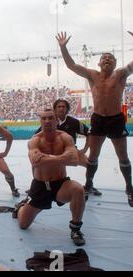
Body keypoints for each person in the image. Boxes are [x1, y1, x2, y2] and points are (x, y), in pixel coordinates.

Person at [57, 31, 133, 206]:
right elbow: (71, 65)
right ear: (99, 63)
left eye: (110, 58)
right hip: (98, 119)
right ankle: (89, 184)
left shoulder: (121, 73)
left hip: (115, 119)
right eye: (104, 58)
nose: (107, 59)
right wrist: (63, 47)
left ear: (115, 63)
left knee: (123, 156)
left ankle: (129, 187)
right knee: (93, 156)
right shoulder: (92, 75)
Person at [13, 109, 86, 246]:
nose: (47, 121)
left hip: (60, 184)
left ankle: (75, 229)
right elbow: (35, 161)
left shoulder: (65, 137)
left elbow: (74, 160)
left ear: (56, 121)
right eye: (44, 119)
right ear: (40, 121)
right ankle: (21, 206)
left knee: (78, 190)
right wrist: (62, 158)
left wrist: (46, 158)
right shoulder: (35, 140)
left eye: (51, 118)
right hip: (40, 185)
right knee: (23, 224)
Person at [35, 99, 90, 168]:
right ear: (54, 109)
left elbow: (89, 134)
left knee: (90, 165)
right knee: (37, 164)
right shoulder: (49, 121)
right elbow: (36, 136)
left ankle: (89, 179)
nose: (61, 108)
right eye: (59, 107)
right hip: (51, 151)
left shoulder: (74, 122)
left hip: (70, 150)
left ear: (67, 109)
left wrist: (85, 149)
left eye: (63, 107)